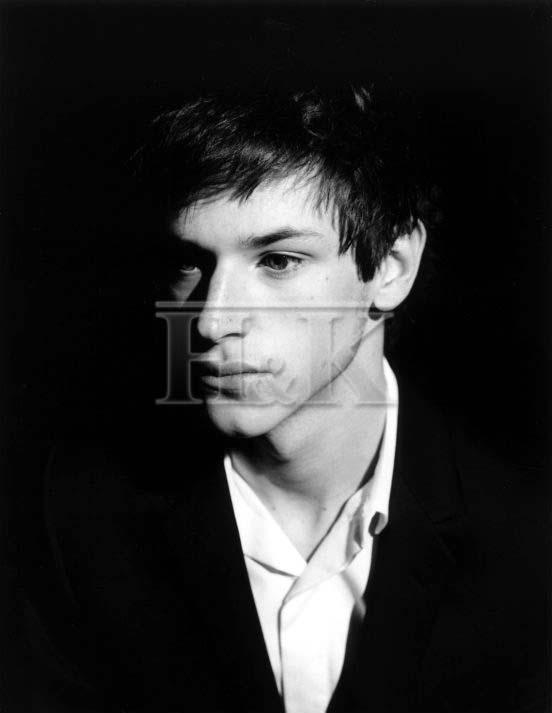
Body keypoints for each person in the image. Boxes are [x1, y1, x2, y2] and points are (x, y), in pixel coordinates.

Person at [18, 86, 548, 713]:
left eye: (278, 261)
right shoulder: (76, 516)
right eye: (190, 263)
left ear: (392, 267)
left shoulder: (526, 542)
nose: (211, 320)